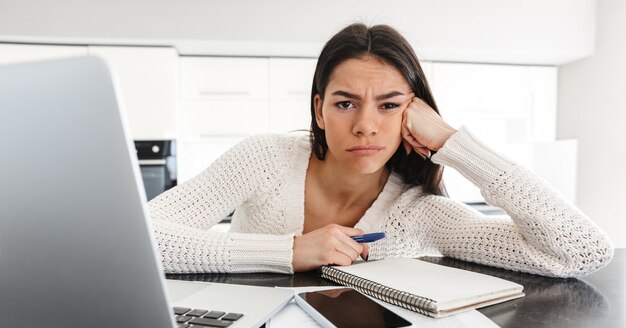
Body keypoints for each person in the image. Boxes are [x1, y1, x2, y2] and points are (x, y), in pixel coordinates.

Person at [148, 23, 613, 278]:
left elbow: (582, 252)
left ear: (414, 115)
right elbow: (143, 239)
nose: (366, 124)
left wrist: (456, 145)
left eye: (390, 106)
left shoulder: (420, 214)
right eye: (345, 103)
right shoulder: (263, 159)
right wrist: (289, 251)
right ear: (319, 110)